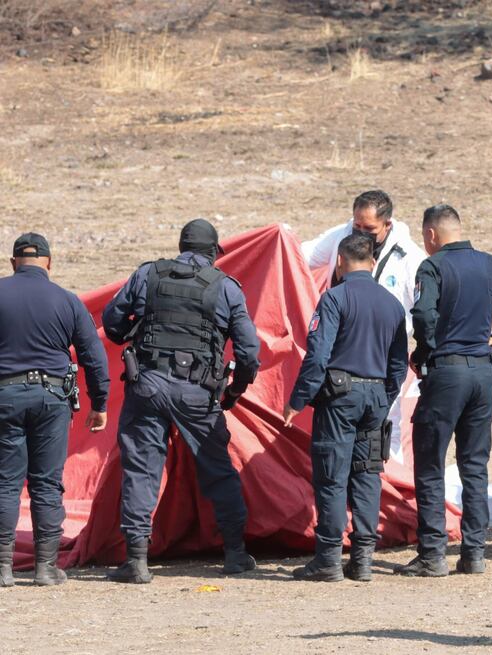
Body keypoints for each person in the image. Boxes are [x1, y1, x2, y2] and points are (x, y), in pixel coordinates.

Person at [102, 218, 261, 583]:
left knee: (142, 470)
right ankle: (236, 554)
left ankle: (137, 560)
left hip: (148, 384)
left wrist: (131, 330)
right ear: (212, 252)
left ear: (181, 246)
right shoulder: (226, 288)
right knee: (218, 469)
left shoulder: (147, 275)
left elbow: (112, 321)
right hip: (199, 392)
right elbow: (250, 354)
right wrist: (235, 391)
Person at [396, 204, 492, 577]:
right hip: (482, 373)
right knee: (474, 466)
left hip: (446, 373)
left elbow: (424, 315)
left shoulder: (432, 267)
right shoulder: (490, 264)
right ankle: (473, 552)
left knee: (430, 465)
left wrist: (426, 350)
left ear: (431, 235)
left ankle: (432, 554)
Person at [284, 234, 408, 582]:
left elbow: (318, 356)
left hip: (340, 399)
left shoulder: (334, 298)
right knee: (368, 475)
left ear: (339, 262)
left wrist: (298, 399)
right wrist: (384, 397)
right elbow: (399, 364)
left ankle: (327, 560)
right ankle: (363, 559)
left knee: (332, 477)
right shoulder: (392, 305)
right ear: (371, 262)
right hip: (375, 398)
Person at [0, 233, 109, 587]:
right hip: (52, 399)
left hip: (5, 397)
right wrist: (100, 403)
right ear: (49, 262)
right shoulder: (67, 300)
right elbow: (93, 356)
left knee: (5, 484)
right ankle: (46, 568)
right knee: (47, 484)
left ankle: (2, 568)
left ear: (13, 262)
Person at [301, 190, 425, 463]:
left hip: (382, 354)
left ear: (387, 225)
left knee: (385, 423)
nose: (360, 233)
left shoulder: (409, 258)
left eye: (369, 228)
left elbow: (424, 308)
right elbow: (302, 257)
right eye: (357, 225)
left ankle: (387, 482)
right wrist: (278, 239)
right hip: (342, 353)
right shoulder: (341, 235)